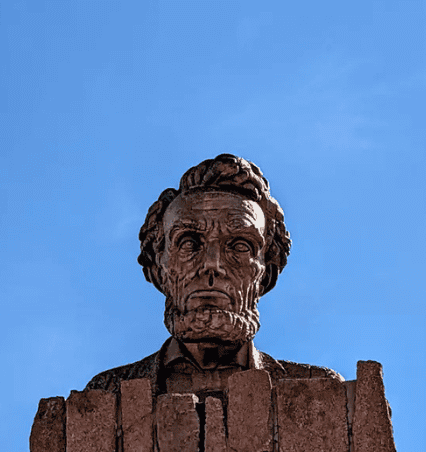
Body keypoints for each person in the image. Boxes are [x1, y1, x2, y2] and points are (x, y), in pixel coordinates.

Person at [84, 154, 339, 393]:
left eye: (239, 245)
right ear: (157, 268)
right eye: (188, 243)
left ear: (266, 273)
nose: (211, 264)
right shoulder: (105, 394)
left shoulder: (319, 393)